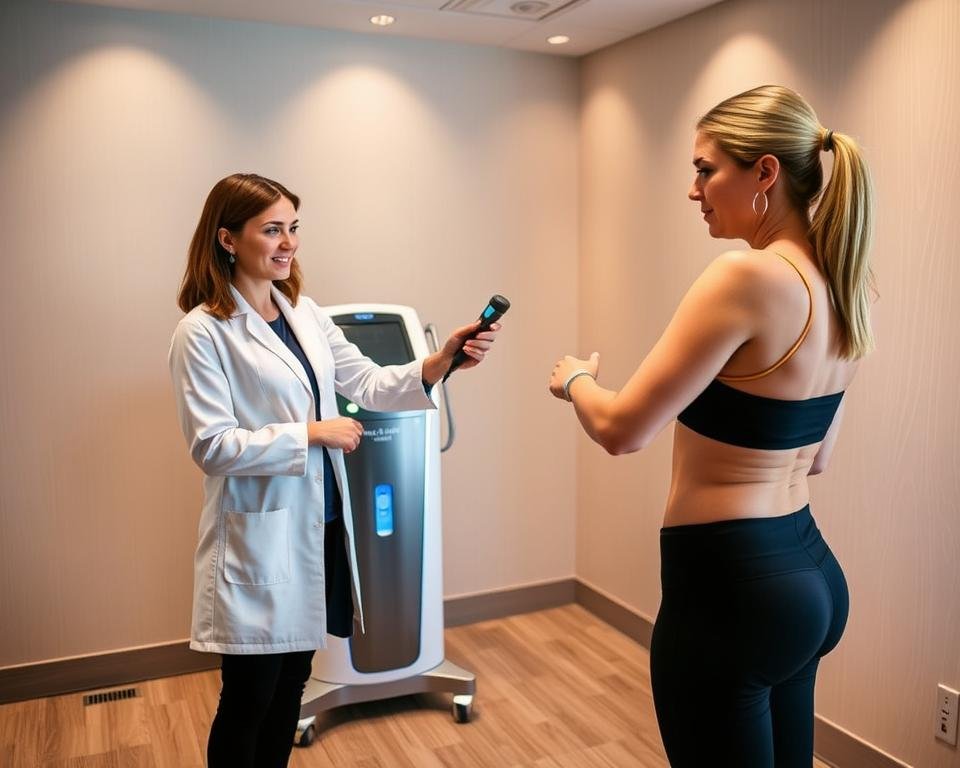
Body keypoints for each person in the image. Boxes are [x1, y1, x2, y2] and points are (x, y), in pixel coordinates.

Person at [548, 85, 873, 766]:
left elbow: (622, 429)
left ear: (765, 172)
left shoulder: (745, 277)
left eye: (705, 169)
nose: (693, 190)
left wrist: (576, 379)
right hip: (809, 573)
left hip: (732, 587)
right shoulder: (842, 280)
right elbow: (818, 456)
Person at [168, 173, 501, 768]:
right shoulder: (202, 331)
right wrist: (311, 433)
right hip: (257, 539)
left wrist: (440, 361)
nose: (289, 243)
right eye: (272, 230)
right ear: (227, 238)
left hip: (318, 529)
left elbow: (367, 381)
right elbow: (213, 446)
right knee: (249, 697)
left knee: (291, 687)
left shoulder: (304, 313)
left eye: (293, 228)